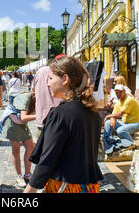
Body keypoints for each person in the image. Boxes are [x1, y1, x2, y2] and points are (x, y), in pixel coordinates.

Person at [24, 56, 103, 193]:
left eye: (50, 78)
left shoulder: (60, 114)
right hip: (89, 186)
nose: (48, 84)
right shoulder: (92, 111)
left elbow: (47, 158)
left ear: (65, 79)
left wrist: (30, 190)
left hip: (65, 186)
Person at [0, 92, 36, 188]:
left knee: (30, 147)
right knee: (16, 149)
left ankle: (27, 174)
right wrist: (40, 116)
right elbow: (23, 117)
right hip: (11, 120)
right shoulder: (26, 97)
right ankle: (19, 176)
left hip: (21, 122)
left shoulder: (40, 99)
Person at [103, 84, 139, 155]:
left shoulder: (129, 100)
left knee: (120, 130)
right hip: (125, 123)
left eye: (120, 92)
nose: (118, 94)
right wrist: (112, 118)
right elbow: (114, 113)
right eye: (117, 93)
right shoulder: (118, 103)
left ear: (124, 91)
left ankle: (131, 144)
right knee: (108, 123)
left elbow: (120, 114)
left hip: (136, 123)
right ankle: (109, 146)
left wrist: (109, 116)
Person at [32, 65, 62, 138]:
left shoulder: (40, 71)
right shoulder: (61, 71)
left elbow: (33, 91)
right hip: (60, 120)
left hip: (42, 117)